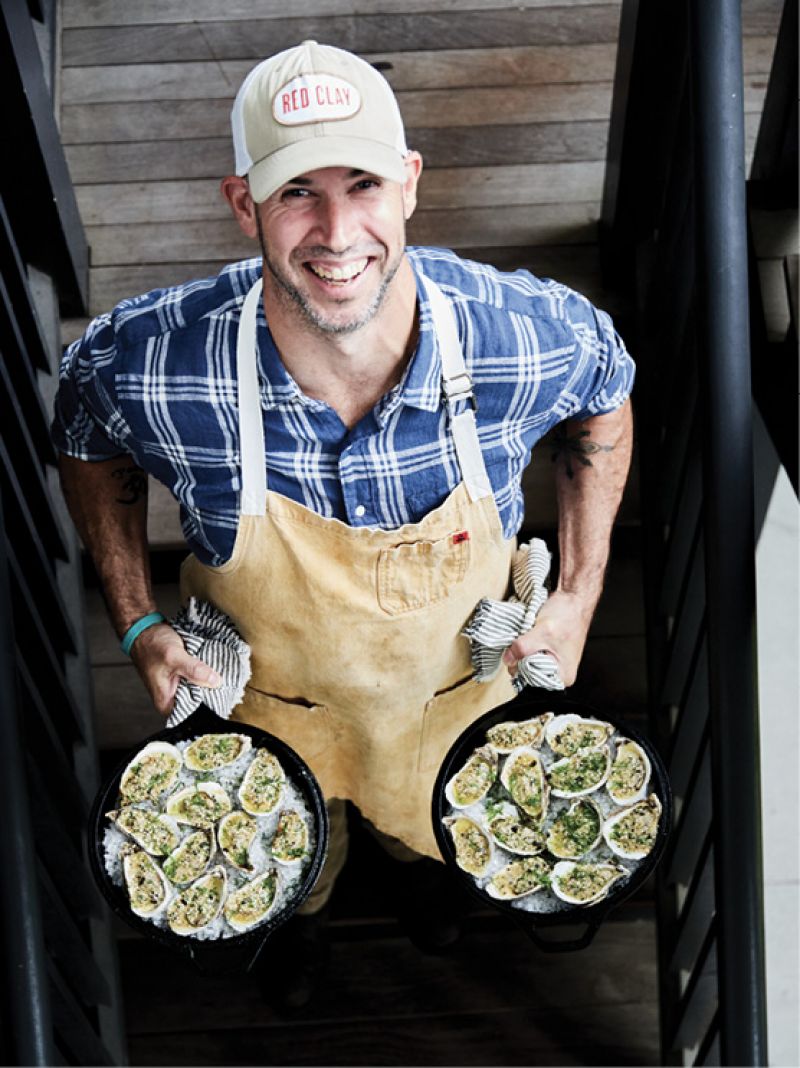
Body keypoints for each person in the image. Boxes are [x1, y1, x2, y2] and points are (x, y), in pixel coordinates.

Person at [53, 40, 634, 1004]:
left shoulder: (524, 336)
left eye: (362, 183)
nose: (335, 233)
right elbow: (83, 430)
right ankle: (302, 926)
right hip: (271, 719)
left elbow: (605, 393)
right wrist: (137, 621)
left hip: (458, 699)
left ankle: (422, 876)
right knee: (291, 870)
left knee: (433, 837)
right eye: (295, 194)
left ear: (408, 184)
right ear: (244, 204)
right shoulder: (152, 360)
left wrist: (580, 593)